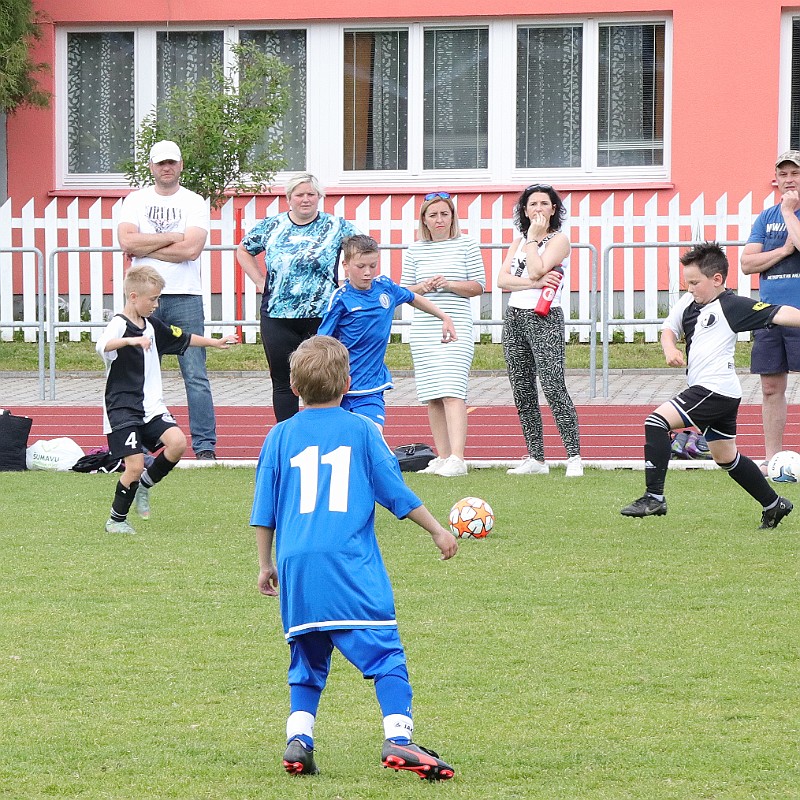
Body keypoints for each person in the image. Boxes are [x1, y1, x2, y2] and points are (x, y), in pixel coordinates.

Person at [250, 336, 457, 780]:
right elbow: (394, 491)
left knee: (306, 657)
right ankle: (399, 738)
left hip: (297, 567)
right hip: (348, 565)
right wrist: (438, 529)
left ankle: (299, 740)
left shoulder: (279, 435)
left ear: (292, 384)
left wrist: (266, 564)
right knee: (386, 656)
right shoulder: (363, 430)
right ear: (347, 384)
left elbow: (262, 510)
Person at [620, 241, 800, 529]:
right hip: (721, 393)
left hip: (714, 390)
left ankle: (654, 496)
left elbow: (781, 314)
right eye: (687, 283)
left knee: (655, 422)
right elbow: (669, 329)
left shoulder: (733, 306)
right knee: (725, 457)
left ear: (717, 279)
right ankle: (774, 504)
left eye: (695, 282)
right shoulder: (688, 302)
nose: (690, 288)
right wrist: (670, 349)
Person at [97, 266, 238, 535]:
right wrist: (130, 342)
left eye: (158, 298)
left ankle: (146, 486)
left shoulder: (153, 326)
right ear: (134, 296)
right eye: (153, 299)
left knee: (177, 443)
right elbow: (102, 345)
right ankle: (116, 520)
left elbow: (182, 337)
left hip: (151, 406)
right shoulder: (118, 324)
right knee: (134, 466)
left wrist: (215, 342)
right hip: (122, 407)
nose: (156, 304)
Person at [117, 140, 218, 461]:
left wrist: (145, 247)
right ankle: (142, 444)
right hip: (145, 297)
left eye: (171, 162)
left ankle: (205, 446)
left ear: (180, 165)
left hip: (186, 294)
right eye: (160, 163)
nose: (166, 168)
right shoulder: (135, 200)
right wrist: (173, 236)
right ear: (151, 166)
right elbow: (125, 240)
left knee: (196, 375)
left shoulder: (194, 201)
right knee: (142, 374)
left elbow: (191, 250)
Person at [236, 173, 359, 422]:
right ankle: (288, 434)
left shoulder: (336, 226)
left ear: (319, 197)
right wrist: (260, 281)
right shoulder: (272, 225)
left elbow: (363, 249)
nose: (306, 199)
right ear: (289, 198)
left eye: (311, 194)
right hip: (278, 315)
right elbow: (244, 250)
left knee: (326, 375)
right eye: (300, 195)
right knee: (284, 380)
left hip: (322, 316)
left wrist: (351, 283)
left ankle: (328, 430)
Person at [318, 234, 457, 429]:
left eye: (373, 266)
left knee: (373, 435)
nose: (368, 272)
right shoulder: (340, 299)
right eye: (361, 267)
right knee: (339, 440)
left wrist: (444, 316)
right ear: (346, 265)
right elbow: (321, 342)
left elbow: (412, 297)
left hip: (371, 386)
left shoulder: (385, 287)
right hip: (340, 387)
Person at [497, 184, 583, 477]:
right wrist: (533, 284)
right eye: (532, 204)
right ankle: (536, 456)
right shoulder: (516, 242)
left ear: (553, 209)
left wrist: (534, 241)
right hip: (515, 315)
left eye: (544, 204)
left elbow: (537, 268)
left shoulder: (559, 240)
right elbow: (502, 280)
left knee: (553, 384)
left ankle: (573, 455)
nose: (538, 209)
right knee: (522, 387)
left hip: (544, 316)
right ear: (524, 210)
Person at [399, 192, 485, 477]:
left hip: (456, 325)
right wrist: (423, 287)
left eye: (444, 214)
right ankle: (443, 455)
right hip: (424, 328)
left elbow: (477, 286)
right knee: (432, 394)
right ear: (424, 219)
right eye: (433, 214)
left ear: (452, 217)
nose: (439, 220)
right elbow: (404, 292)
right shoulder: (415, 250)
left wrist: (448, 284)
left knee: (452, 390)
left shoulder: (467, 245)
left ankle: (458, 457)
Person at [741, 151, 800, 473]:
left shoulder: (787, 212)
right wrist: (783, 251)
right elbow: (747, 263)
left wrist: (790, 214)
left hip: (799, 312)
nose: (788, 180)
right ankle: (773, 458)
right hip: (769, 313)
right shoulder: (765, 217)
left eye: (795, 174)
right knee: (770, 387)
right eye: (783, 174)